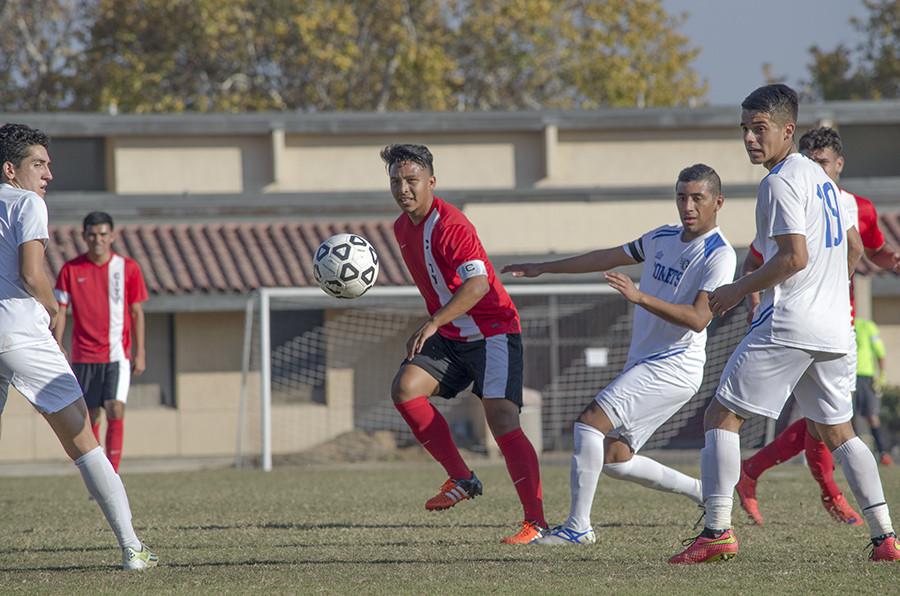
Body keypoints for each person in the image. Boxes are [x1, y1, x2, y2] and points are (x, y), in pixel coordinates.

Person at [669, 84, 898, 564]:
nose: (751, 139)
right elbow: (854, 250)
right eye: (745, 130)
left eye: (761, 129)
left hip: (791, 323)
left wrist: (736, 289)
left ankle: (717, 531)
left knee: (721, 417)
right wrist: (831, 288)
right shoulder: (830, 187)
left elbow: (794, 258)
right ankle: (886, 538)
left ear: (787, 131)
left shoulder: (778, 182)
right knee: (840, 433)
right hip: (837, 327)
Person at [502, 164, 736, 545]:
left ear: (718, 202)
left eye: (698, 198)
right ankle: (702, 492)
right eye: (681, 197)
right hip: (648, 362)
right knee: (616, 458)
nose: (688, 206)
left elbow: (697, 319)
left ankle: (578, 528)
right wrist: (543, 268)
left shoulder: (719, 255)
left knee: (588, 424)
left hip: (674, 365)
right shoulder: (662, 236)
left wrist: (639, 296)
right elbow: (604, 257)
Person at [0, 123, 157, 570]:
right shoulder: (27, 202)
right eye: (39, 164)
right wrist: (52, 309)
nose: (48, 174)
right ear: (11, 169)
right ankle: (132, 548)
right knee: (85, 440)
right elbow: (32, 274)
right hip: (19, 334)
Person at [382, 143, 547, 545]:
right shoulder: (401, 229)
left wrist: (434, 322)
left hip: (493, 331)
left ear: (431, 183)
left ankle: (536, 523)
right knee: (405, 389)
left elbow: (478, 284)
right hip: (454, 335)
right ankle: (461, 477)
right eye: (396, 181)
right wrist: (440, 324)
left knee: (502, 420)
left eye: (411, 180)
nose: (403, 188)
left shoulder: (452, 225)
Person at [736, 126, 899, 526]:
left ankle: (749, 478)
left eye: (823, 163)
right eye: (810, 161)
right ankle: (842, 504)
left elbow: (871, 250)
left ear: (839, 165)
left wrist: (893, 262)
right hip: (806, 323)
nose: (815, 170)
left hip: (831, 324)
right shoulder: (794, 192)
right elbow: (759, 256)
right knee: (825, 424)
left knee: (823, 423)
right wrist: (752, 299)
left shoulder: (855, 206)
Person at [54, 211, 148, 473]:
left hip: (117, 355)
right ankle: (98, 474)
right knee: (91, 415)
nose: (98, 240)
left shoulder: (127, 268)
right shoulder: (70, 270)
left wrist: (140, 352)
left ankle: (113, 472)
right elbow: (61, 310)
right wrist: (57, 342)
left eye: (103, 234)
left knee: (116, 408)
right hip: (84, 357)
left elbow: (136, 311)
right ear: (84, 237)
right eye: (92, 235)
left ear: (112, 236)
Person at [855, 317, 892, 464]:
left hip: (865, 376)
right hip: (846, 376)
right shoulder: (842, 322)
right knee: (847, 418)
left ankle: (883, 453)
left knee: (872, 415)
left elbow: (880, 351)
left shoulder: (867, 326)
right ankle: (854, 456)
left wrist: (882, 375)